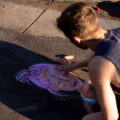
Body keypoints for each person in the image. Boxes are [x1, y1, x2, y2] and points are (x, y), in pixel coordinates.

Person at [56, 2, 120, 120]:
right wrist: (76, 66)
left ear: (77, 39)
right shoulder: (116, 33)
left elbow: (111, 117)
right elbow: (107, 58)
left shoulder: (99, 65)